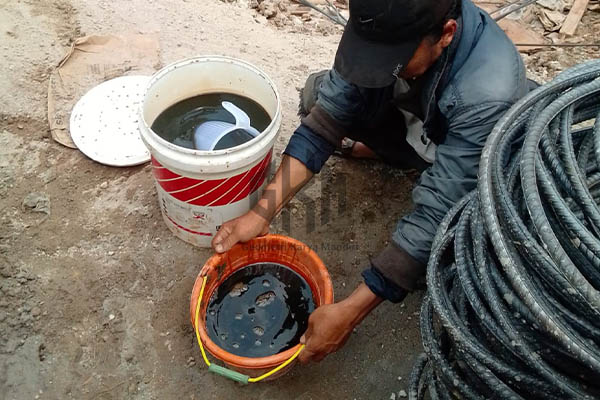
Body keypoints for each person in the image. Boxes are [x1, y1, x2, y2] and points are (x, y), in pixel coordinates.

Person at [211, 0, 529, 363]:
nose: (376, 64)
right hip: (418, 122)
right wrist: (261, 213)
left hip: (462, 145)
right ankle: (389, 149)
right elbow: (325, 121)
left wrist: (350, 313)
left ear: (446, 34)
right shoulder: (383, 24)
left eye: (391, 59)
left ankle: (413, 158)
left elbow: (434, 214)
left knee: (447, 245)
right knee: (317, 95)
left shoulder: (487, 94)